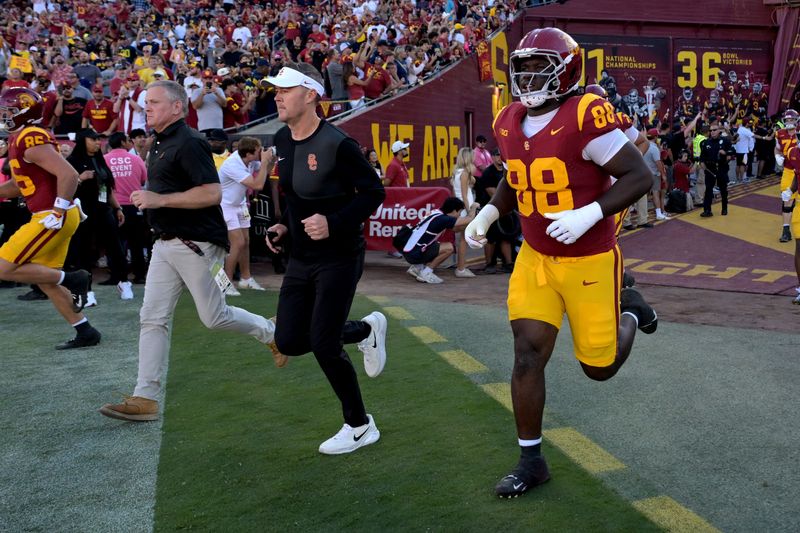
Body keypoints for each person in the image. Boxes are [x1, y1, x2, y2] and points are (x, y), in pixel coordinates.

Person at [464, 28, 658, 498]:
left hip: (588, 257)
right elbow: (517, 176)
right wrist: (490, 211)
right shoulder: (509, 118)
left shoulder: (586, 113)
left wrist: (591, 212)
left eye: (538, 66)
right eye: (523, 66)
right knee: (527, 353)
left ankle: (629, 309)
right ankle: (531, 460)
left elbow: (640, 174)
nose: (528, 76)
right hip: (535, 256)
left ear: (567, 69)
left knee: (600, 368)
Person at [98, 80, 283, 423]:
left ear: (177, 107)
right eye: (145, 102)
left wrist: (159, 200)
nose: (146, 107)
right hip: (165, 243)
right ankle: (146, 397)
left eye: (153, 102)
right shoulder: (158, 143)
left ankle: (272, 333)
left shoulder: (191, 141)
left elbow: (212, 193)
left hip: (193, 243)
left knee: (214, 317)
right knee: (151, 317)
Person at [264, 63, 388, 455]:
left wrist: (333, 222)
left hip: (339, 255)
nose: (277, 96)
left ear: (311, 94)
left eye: (285, 89)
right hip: (301, 256)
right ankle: (365, 331)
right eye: (276, 90)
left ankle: (359, 425)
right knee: (287, 339)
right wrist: (284, 225)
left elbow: (373, 193)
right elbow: (297, 198)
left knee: (322, 342)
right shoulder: (281, 140)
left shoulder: (339, 144)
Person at [0, 88, 98, 349]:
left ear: (25, 110)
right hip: (56, 214)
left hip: (51, 215)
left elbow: (69, 175)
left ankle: (74, 279)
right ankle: (85, 331)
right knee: (47, 280)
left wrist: (57, 210)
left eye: (10, 110)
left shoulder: (30, 136)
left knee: (3, 267)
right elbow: (21, 186)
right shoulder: (20, 138)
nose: (5, 115)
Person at [66, 128, 130, 303]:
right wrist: (80, 178)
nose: (98, 142)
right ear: (82, 141)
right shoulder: (71, 161)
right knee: (84, 252)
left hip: (103, 210)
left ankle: (123, 282)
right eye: (93, 139)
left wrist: (117, 208)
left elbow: (106, 189)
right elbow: (63, 188)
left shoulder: (100, 160)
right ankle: (86, 291)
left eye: (98, 139)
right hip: (81, 212)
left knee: (115, 247)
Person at [218, 136, 272, 295]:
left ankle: (246, 279)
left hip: (239, 204)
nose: (260, 152)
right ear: (249, 154)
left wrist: (270, 161)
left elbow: (265, 173)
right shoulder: (233, 164)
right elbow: (258, 184)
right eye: (258, 151)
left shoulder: (249, 160)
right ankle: (225, 284)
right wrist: (264, 163)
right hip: (226, 206)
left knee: (246, 242)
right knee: (238, 243)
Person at [104, 132, 149, 284]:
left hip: (113, 206)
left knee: (114, 243)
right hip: (134, 205)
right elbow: (144, 180)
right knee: (136, 242)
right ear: (123, 142)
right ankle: (140, 275)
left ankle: (117, 276)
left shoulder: (104, 160)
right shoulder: (136, 159)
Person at [402, 197, 478, 283]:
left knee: (436, 245)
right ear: (454, 211)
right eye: (459, 212)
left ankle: (417, 267)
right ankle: (426, 273)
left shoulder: (437, 213)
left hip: (410, 251)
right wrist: (474, 207)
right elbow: (468, 219)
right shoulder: (443, 219)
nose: (459, 215)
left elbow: (456, 229)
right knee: (449, 248)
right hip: (414, 253)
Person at [451, 146, 478, 278]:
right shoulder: (465, 173)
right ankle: (461, 268)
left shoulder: (457, 172)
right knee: (463, 239)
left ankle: (461, 267)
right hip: (464, 209)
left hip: (461, 208)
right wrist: (470, 212)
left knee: (462, 239)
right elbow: (464, 195)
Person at [699, 123, 734, 217]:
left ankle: (724, 208)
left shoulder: (725, 141)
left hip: (721, 168)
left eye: (714, 130)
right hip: (710, 169)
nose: (712, 132)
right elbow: (702, 156)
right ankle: (707, 210)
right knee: (708, 190)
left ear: (719, 131)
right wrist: (702, 163)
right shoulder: (706, 142)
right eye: (710, 130)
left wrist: (725, 153)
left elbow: (732, 151)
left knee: (723, 190)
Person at [776, 110, 798, 242]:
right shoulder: (780, 133)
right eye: (787, 120)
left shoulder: (799, 133)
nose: (789, 122)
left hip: (799, 170)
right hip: (788, 170)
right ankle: (786, 231)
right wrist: (777, 156)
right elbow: (777, 147)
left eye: (792, 120)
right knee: (787, 200)